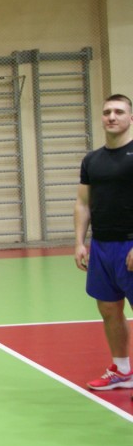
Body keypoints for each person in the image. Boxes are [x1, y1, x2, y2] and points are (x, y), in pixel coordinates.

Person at [74, 94, 133, 394]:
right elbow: (83, 203)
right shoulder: (92, 160)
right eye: (107, 111)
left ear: (130, 118)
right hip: (102, 247)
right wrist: (79, 242)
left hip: (130, 245)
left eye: (119, 111)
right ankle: (122, 370)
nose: (112, 116)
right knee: (109, 309)